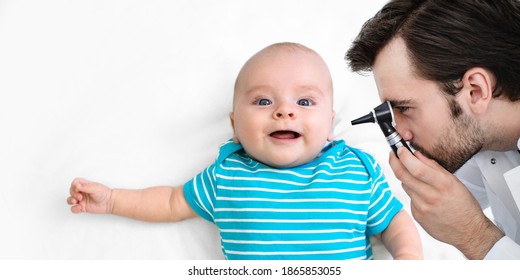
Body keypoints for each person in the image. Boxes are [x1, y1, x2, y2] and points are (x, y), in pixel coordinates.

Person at [67, 42, 422, 260]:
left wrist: (407, 257)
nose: (285, 111)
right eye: (263, 100)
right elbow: (171, 202)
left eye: (304, 101)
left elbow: (393, 221)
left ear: (329, 123)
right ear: (235, 126)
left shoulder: (354, 171)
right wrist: (112, 199)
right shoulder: (228, 175)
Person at [345, 0, 520, 259]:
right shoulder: (486, 138)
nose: (402, 133)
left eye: (405, 108)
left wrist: (476, 237)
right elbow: (447, 197)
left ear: (475, 90)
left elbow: (464, 221)